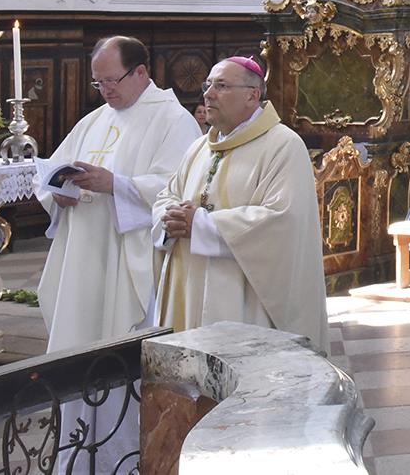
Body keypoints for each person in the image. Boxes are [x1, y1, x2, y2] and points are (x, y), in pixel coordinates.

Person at [36, 36, 201, 472]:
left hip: (128, 264)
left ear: (141, 72)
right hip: (82, 262)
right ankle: (75, 459)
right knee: (77, 358)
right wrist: (59, 193)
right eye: (98, 83)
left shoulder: (173, 120)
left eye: (112, 80)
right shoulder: (93, 120)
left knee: (118, 366)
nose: (106, 90)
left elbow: (179, 187)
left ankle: (122, 461)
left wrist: (117, 185)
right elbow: (50, 172)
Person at [153, 56, 328, 352]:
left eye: (221, 85)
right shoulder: (199, 147)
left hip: (240, 296)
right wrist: (169, 217)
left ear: (252, 95)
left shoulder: (283, 145)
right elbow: (167, 195)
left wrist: (201, 224)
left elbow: (282, 220)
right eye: (208, 85)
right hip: (188, 284)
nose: (207, 93)